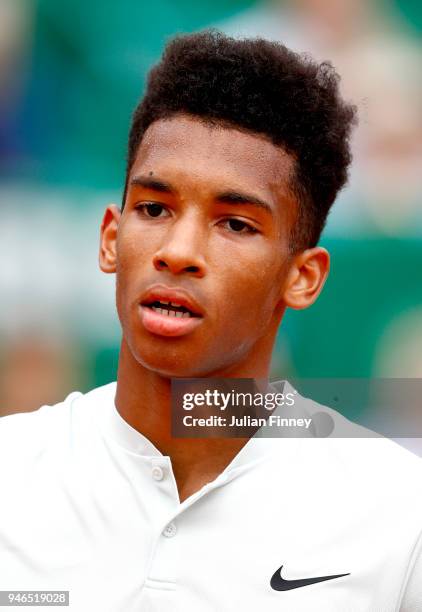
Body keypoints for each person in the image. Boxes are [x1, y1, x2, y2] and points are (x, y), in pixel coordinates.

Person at [1, 30, 421, 611]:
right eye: (153, 208)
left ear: (303, 278)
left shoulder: (400, 515)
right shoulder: (9, 474)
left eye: (235, 224)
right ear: (110, 238)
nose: (178, 250)